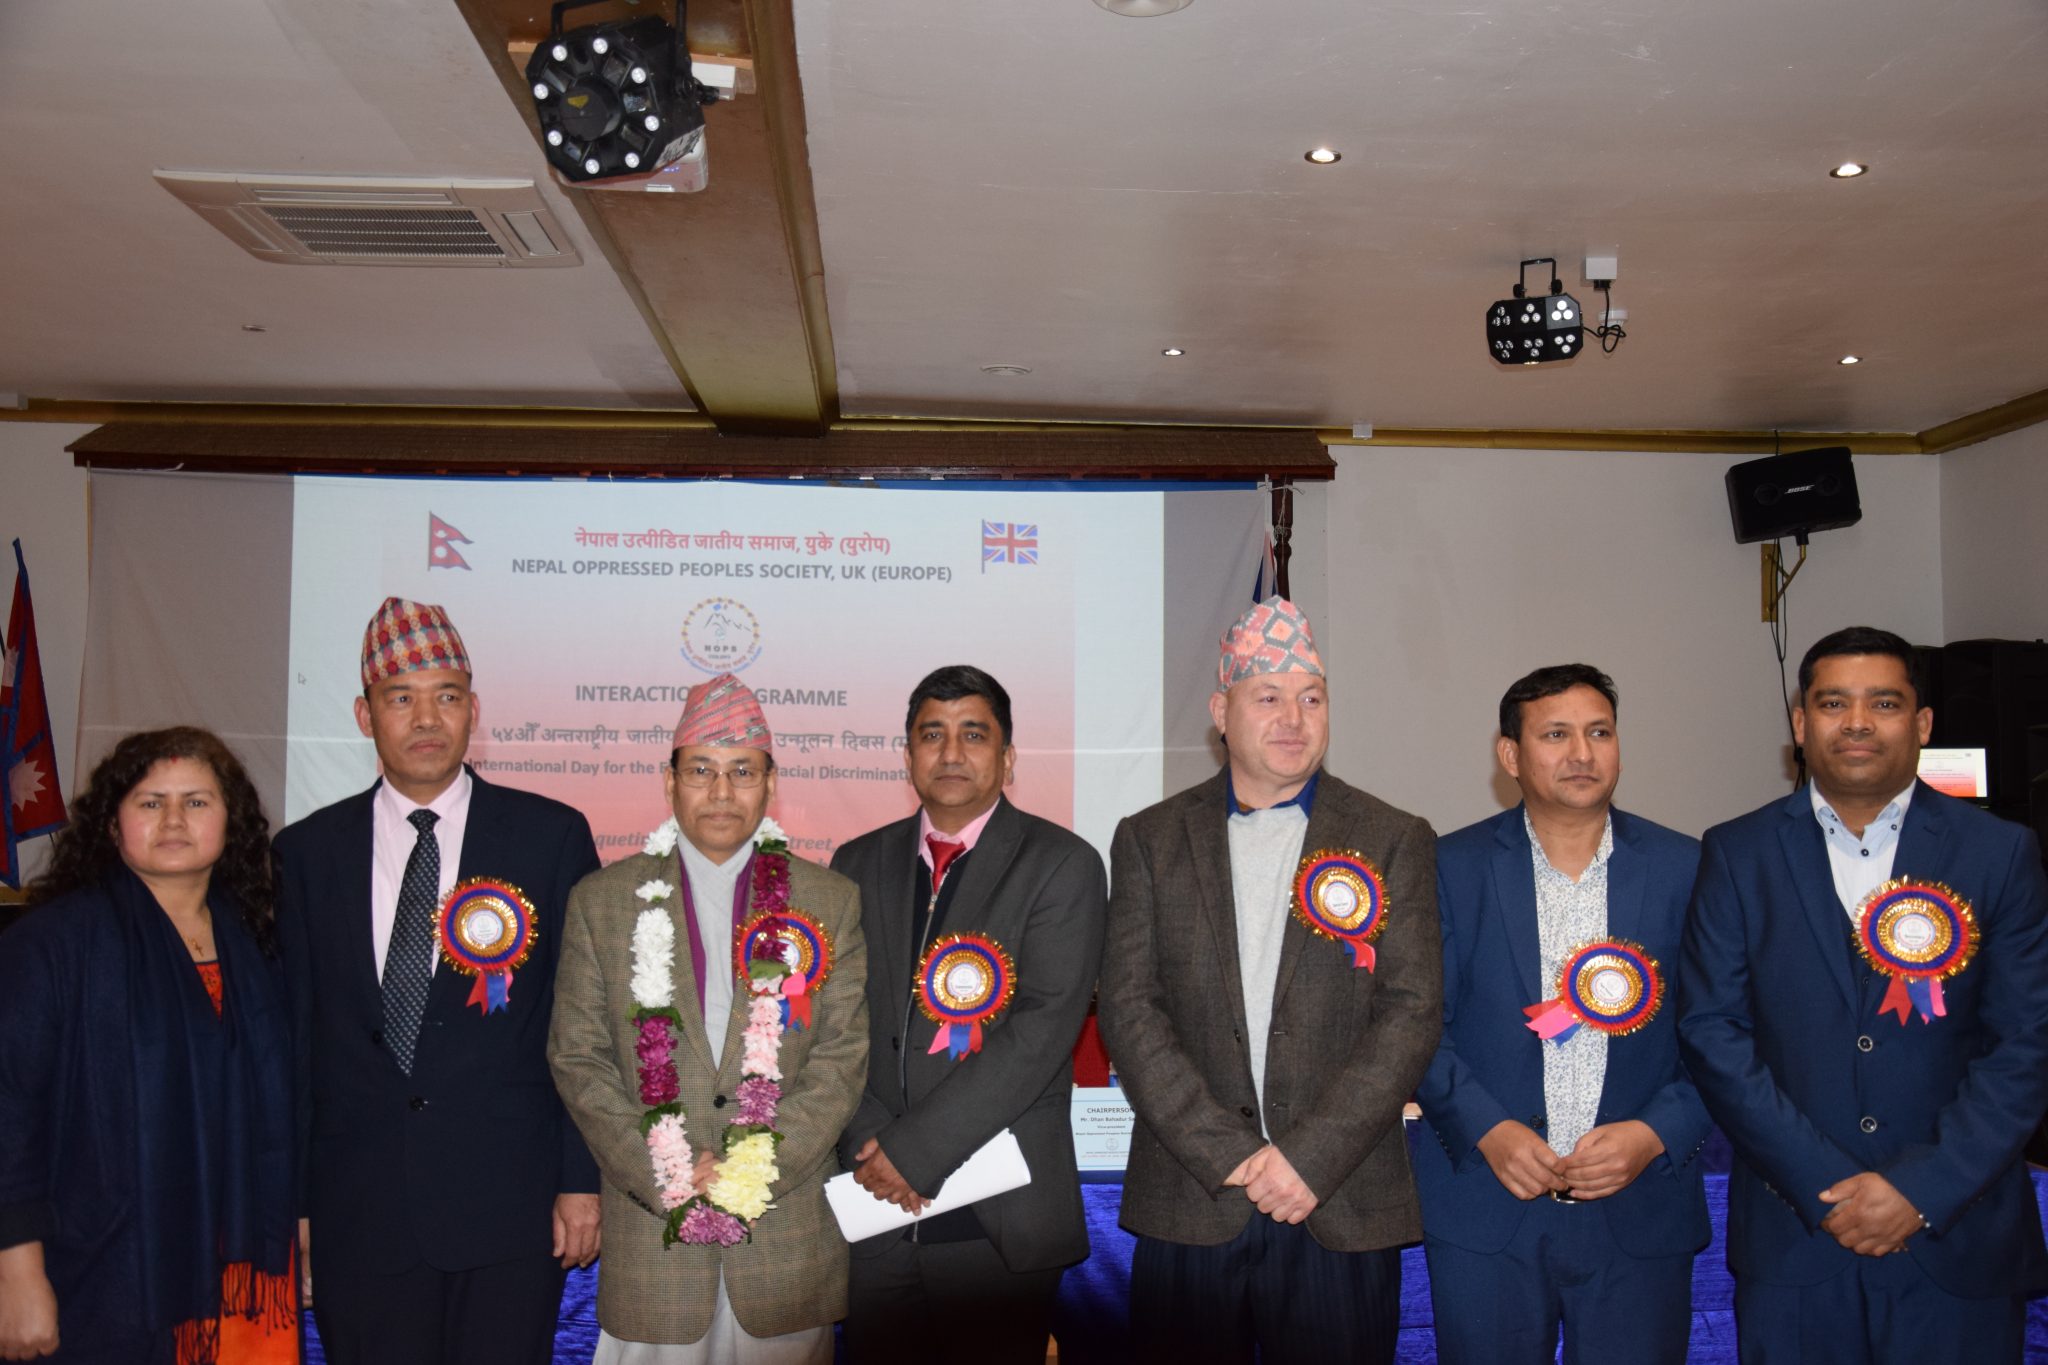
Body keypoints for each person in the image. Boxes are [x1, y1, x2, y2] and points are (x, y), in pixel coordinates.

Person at [1678, 625, 2048, 1363]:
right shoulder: (1737, 851)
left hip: (1957, 1240)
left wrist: (1921, 1190)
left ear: (1922, 723)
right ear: (1800, 723)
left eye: (1883, 702)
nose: (1856, 722)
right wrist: (1827, 1185)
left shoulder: (2000, 852)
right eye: (1832, 702)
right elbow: (1713, 1032)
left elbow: (2025, 1042)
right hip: (1797, 1239)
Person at [1098, 597, 1442, 1365]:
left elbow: (1411, 1011)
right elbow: (1129, 1008)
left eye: (1312, 698)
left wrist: (1308, 1157)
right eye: (1269, 697)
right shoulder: (1150, 838)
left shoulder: (1394, 836)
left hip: (1339, 1201)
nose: (1294, 718)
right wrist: (1228, 1152)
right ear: (1222, 712)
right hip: (1193, 1198)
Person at [273, 598, 601, 1365]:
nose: (427, 718)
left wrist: (580, 1178)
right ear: (365, 714)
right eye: (401, 698)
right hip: (359, 1208)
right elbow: (295, 1041)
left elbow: (583, 1023)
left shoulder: (550, 835)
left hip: (509, 1207)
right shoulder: (305, 852)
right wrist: (296, 1202)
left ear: (473, 711)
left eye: (446, 696)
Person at [549, 673, 868, 1363]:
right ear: (669, 782)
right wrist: (663, 1167)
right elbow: (578, 1057)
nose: (722, 791)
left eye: (742, 771)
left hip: (784, 1243)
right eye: (701, 770)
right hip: (653, 1249)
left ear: (770, 783)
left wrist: (753, 1168)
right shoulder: (602, 901)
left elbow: (842, 1059)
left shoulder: (830, 900)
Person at [1414, 664, 1710, 1364]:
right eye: (1555, 735)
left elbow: (1722, 1032)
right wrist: (1488, 1129)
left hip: (1639, 1210)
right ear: (1510, 755)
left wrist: (1653, 1132)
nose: (1582, 753)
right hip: (1487, 1205)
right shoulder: (1447, 867)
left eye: (1599, 732)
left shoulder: (1689, 867)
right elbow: (1416, 1024)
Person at [830, 665, 1107, 1364]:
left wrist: (913, 1152)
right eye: (932, 735)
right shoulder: (856, 863)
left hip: (997, 1223)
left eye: (973, 734)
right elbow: (836, 1022)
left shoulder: (1062, 864)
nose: (951, 752)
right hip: (875, 1210)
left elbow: (1041, 1029)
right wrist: (868, 1142)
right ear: (908, 756)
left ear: (1007, 758)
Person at [0, 727, 297, 1364]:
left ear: (230, 823)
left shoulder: (258, 945)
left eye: (197, 801)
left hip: (239, 1272)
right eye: (150, 802)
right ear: (112, 825)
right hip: (101, 1269)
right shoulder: (53, 945)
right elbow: (8, 1109)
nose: (174, 820)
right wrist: (15, 1269)